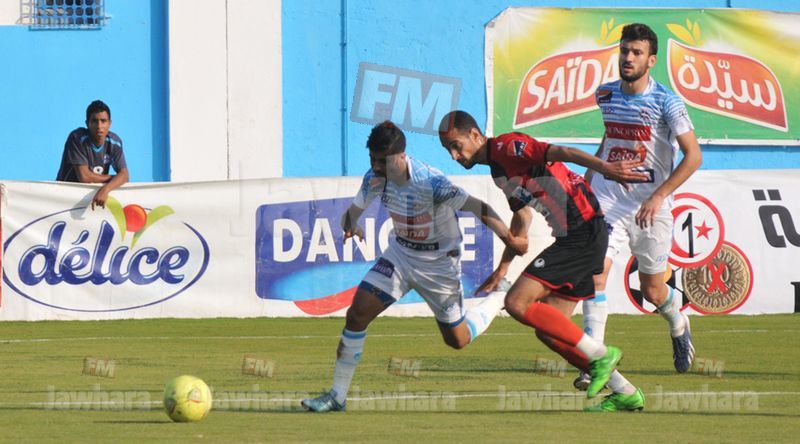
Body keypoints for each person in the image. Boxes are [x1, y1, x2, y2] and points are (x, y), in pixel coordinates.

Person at [301, 121, 528, 413]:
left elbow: (477, 206)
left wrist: (509, 238)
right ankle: (337, 396)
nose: (375, 166)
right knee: (356, 315)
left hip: (438, 265)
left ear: (400, 156)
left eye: (381, 160)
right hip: (400, 256)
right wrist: (350, 225)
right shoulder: (374, 178)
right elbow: (352, 213)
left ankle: (498, 298)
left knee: (457, 340)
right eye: (371, 159)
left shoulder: (430, 182)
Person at [439, 110, 649, 412]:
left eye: (456, 146)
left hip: (582, 230)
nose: (454, 156)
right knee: (550, 331)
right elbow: (522, 215)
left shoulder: (507, 147)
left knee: (516, 302)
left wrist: (605, 168)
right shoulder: (498, 172)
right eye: (448, 150)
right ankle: (625, 392)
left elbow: (561, 151)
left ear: (474, 135)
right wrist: (504, 266)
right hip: (577, 236)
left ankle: (601, 355)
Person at [574, 23, 703, 390]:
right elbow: (609, 136)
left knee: (653, 291)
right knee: (595, 274)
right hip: (609, 198)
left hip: (650, 205)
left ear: (651, 60)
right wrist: (589, 177)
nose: (628, 58)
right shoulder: (605, 94)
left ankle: (678, 323)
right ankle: (593, 361)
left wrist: (659, 195)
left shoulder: (666, 102)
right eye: (624, 51)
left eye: (636, 53)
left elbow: (693, 156)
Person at [56, 100, 129, 209]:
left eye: (103, 121)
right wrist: (113, 178)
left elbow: (125, 175)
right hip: (65, 200)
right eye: (94, 121)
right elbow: (84, 177)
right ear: (87, 124)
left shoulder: (114, 142)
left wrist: (106, 189)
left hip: (94, 199)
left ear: (110, 123)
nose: (99, 126)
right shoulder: (77, 138)